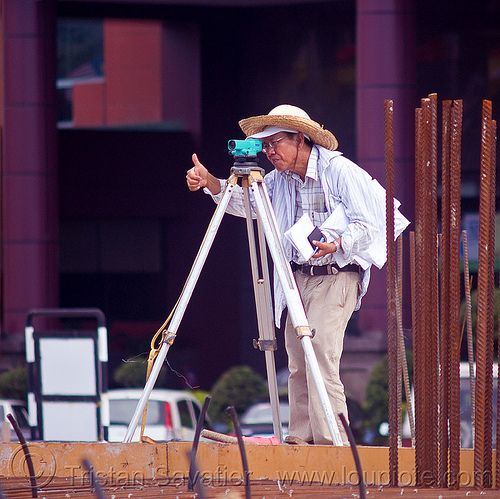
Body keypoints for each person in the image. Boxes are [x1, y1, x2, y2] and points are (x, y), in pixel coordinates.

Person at [186, 104, 407, 445]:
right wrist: (212, 183)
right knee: (298, 360)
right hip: (296, 277)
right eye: (265, 145)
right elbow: (249, 206)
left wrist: (337, 243)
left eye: (277, 143)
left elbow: (371, 223)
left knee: (318, 351)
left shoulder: (340, 171)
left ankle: (334, 442)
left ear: (301, 139)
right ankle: (300, 439)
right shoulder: (277, 180)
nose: (270, 152)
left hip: (337, 274)